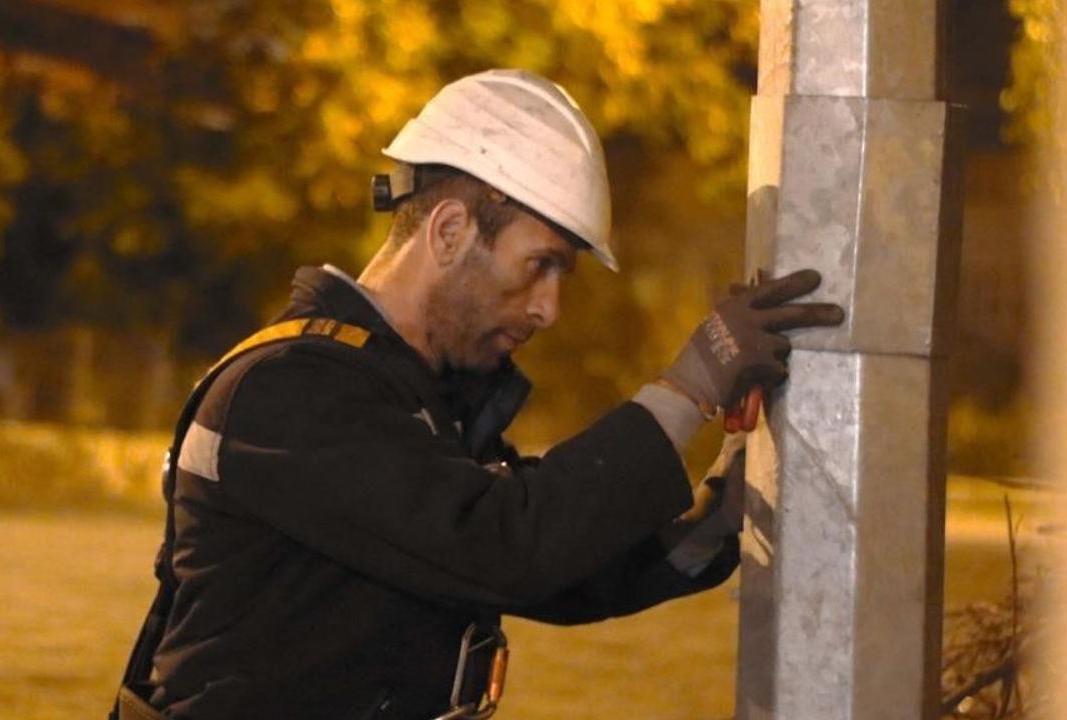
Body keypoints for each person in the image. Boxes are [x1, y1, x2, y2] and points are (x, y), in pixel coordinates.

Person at [116, 69, 843, 720]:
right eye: (539, 265)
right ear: (450, 230)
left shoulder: (402, 393)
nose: (549, 308)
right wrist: (692, 384)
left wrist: (711, 522)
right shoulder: (288, 390)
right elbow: (501, 546)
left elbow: (547, 567)